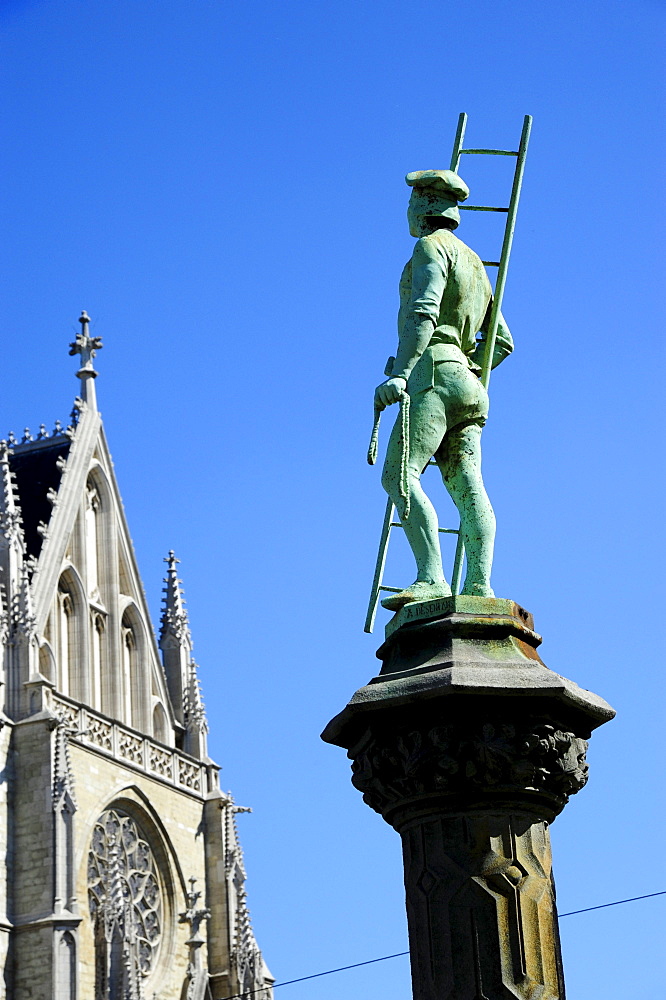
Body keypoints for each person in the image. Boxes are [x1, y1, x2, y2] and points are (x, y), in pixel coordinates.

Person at [375, 169, 513, 610]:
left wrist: (403, 371)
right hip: (470, 386)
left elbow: (423, 314)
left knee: (398, 475)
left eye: (413, 201)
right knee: (469, 487)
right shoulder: (476, 263)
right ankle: (478, 586)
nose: (409, 210)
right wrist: (466, 365)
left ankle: (431, 577)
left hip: (433, 375)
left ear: (426, 205)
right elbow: (503, 343)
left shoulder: (429, 248)